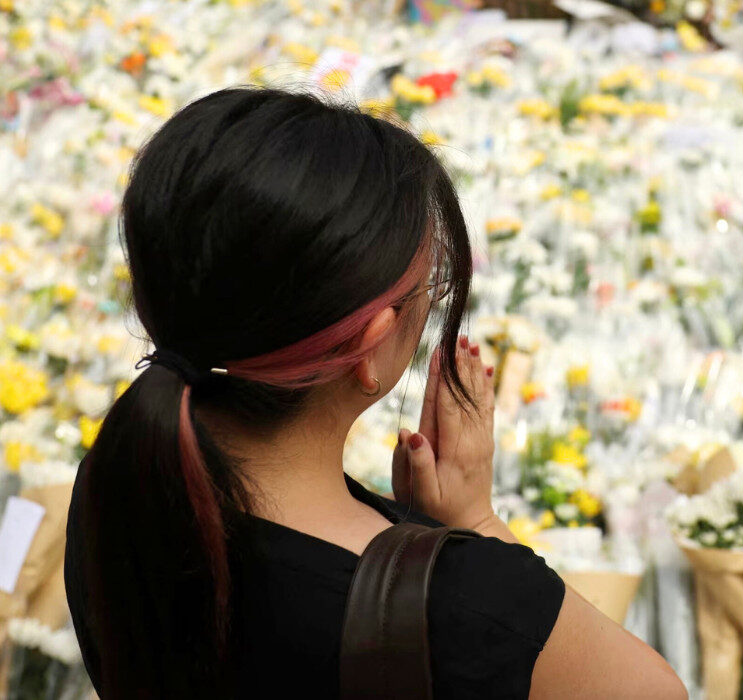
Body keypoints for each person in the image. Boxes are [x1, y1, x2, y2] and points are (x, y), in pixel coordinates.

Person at [64, 87, 686, 700]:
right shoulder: (458, 602)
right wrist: (475, 520)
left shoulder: (119, 485)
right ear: (367, 346)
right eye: (428, 293)